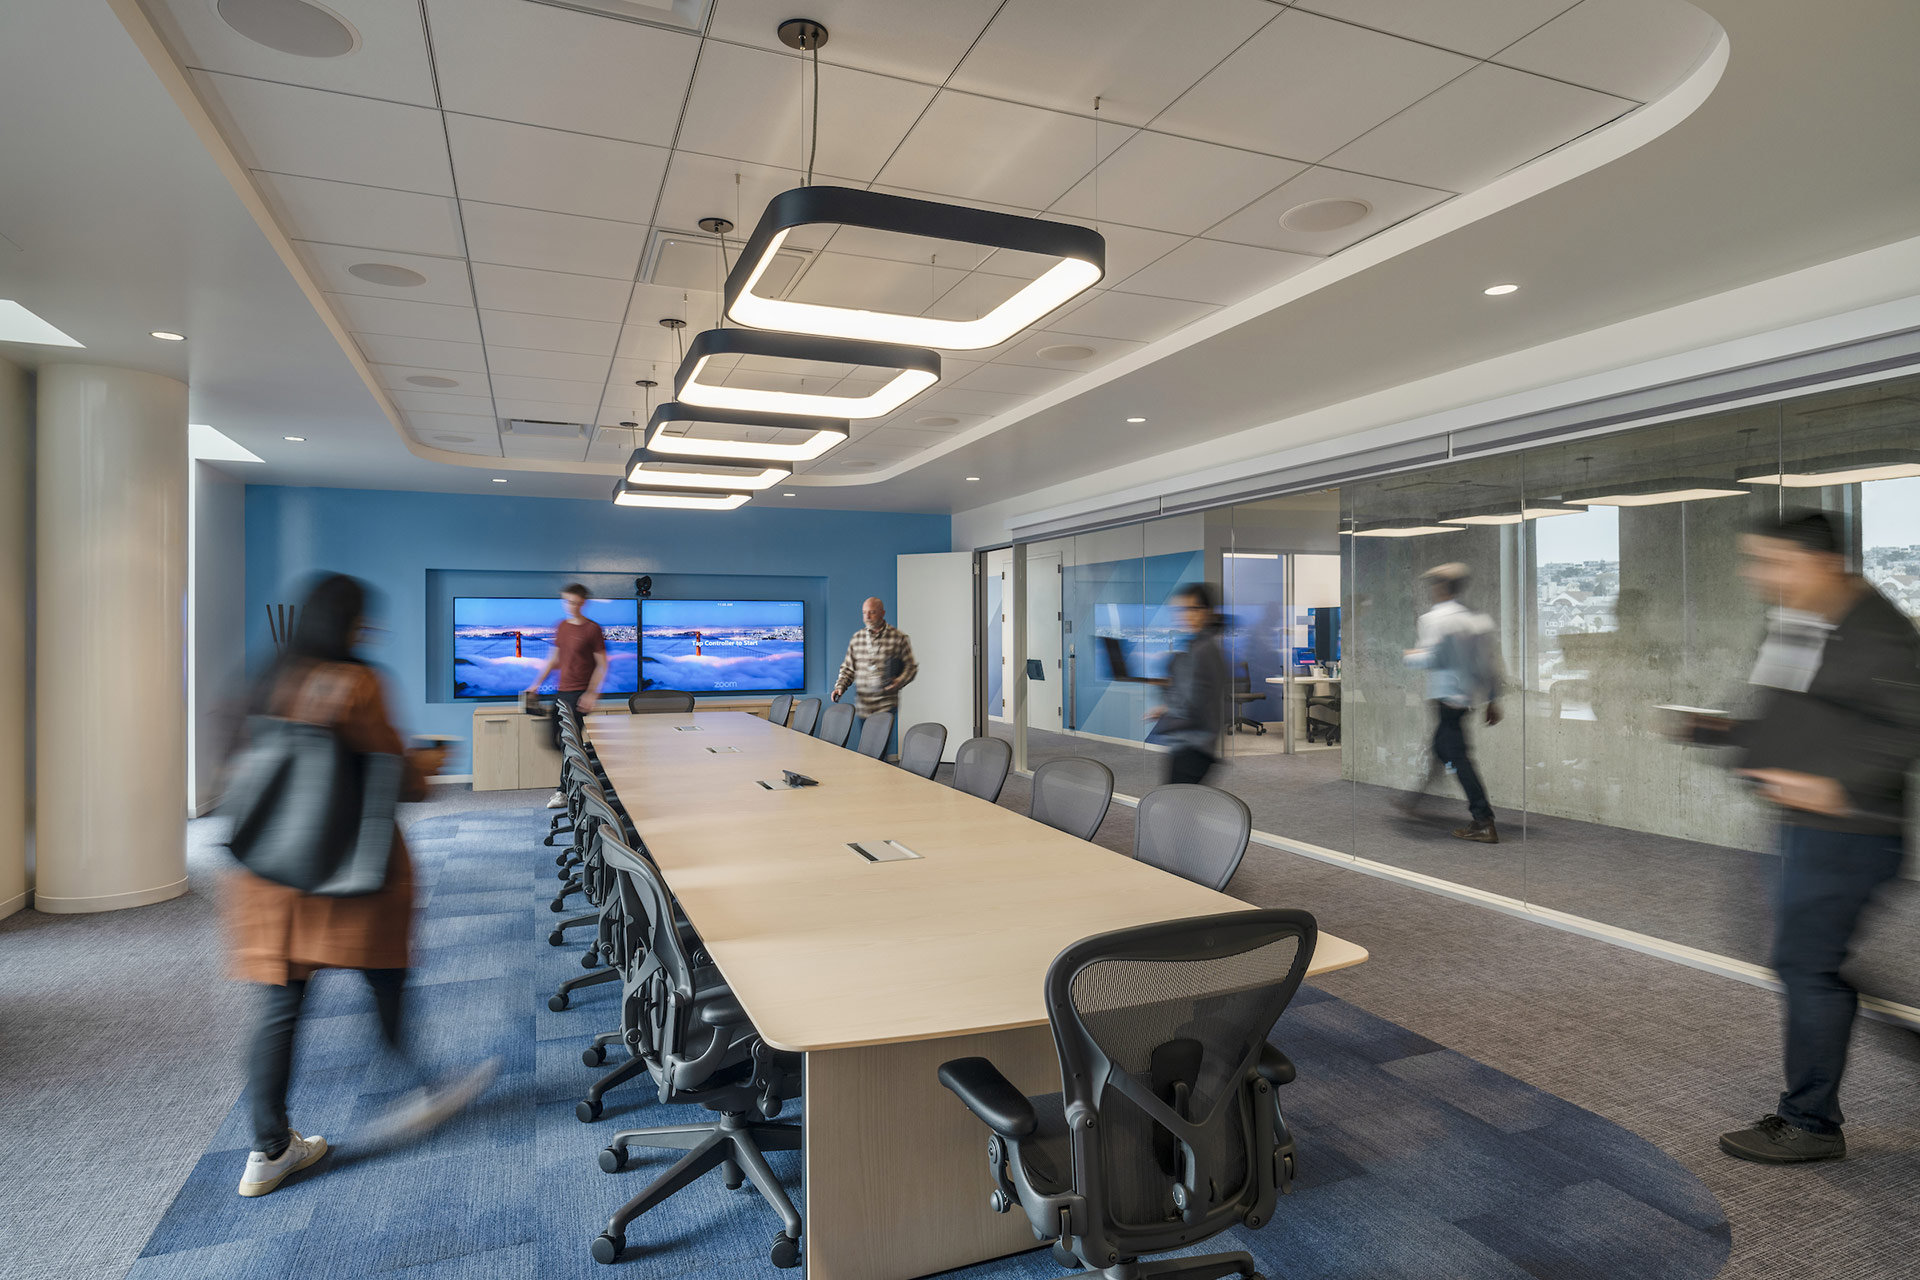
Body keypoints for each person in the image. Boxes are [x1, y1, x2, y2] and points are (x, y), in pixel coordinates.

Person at [223, 574, 496, 1197]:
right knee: (386, 978)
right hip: (347, 870)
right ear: (350, 626)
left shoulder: (268, 681)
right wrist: (430, 760)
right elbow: (399, 778)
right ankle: (421, 1089)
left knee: (279, 1006)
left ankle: (267, 1149)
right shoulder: (353, 684)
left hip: (270, 876)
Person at [1674, 512, 1920, 1165]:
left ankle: (1810, 1122)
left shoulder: (1882, 633)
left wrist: (1838, 785)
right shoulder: (1795, 620)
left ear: (1821, 563)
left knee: (1805, 964)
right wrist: (1718, 732)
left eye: (1771, 562)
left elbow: (1908, 726)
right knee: (1795, 956)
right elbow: (1779, 712)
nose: (1756, 575)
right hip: (1795, 825)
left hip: (1849, 833)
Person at [1402, 563, 1505, 842]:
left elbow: (1434, 658)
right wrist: (1492, 700)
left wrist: (1409, 655)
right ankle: (1415, 800)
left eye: (1433, 585)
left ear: (1440, 588)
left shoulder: (1435, 619)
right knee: (1442, 747)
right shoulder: (1476, 619)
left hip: (1446, 696)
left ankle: (1483, 819)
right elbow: (1489, 664)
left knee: (1455, 754)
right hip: (1467, 698)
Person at [522, 584, 607, 808]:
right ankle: (585, 774)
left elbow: (602, 665)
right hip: (561, 692)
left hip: (579, 695)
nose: (572, 606)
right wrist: (536, 685)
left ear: (584, 603)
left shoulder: (592, 629)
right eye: (568, 601)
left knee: (570, 744)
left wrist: (591, 693)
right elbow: (554, 659)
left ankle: (564, 790)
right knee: (552, 741)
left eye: (576, 602)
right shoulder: (562, 627)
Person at [1148, 582, 1228, 785]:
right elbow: (1196, 695)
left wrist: (1166, 698)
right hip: (1196, 745)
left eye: (1192, 609)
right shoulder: (1203, 645)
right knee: (1183, 808)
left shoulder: (1201, 650)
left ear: (1208, 612)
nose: (1185, 615)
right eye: (1181, 609)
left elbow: (1189, 705)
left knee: (1177, 809)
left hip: (1192, 746)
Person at [831, 596, 917, 752]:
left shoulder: (898, 638)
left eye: (872, 612)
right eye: (864, 613)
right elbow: (848, 668)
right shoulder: (857, 639)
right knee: (867, 750)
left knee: (879, 749)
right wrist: (840, 687)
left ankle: (884, 776)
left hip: (885, 704)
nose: (867, 617)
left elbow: (911, 667)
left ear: (882, 613)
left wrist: (899, 682)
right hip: (864, 705)